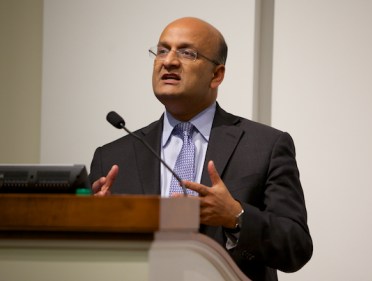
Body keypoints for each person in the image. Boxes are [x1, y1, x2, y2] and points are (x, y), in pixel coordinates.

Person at [89, 17, 313, 281]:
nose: (168, 61)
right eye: (162, 50)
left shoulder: (265, 146)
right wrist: (93, 224)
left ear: (216, 75)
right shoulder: (114, 157)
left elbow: (296, 246)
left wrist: (236, 217)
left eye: (187, 53)